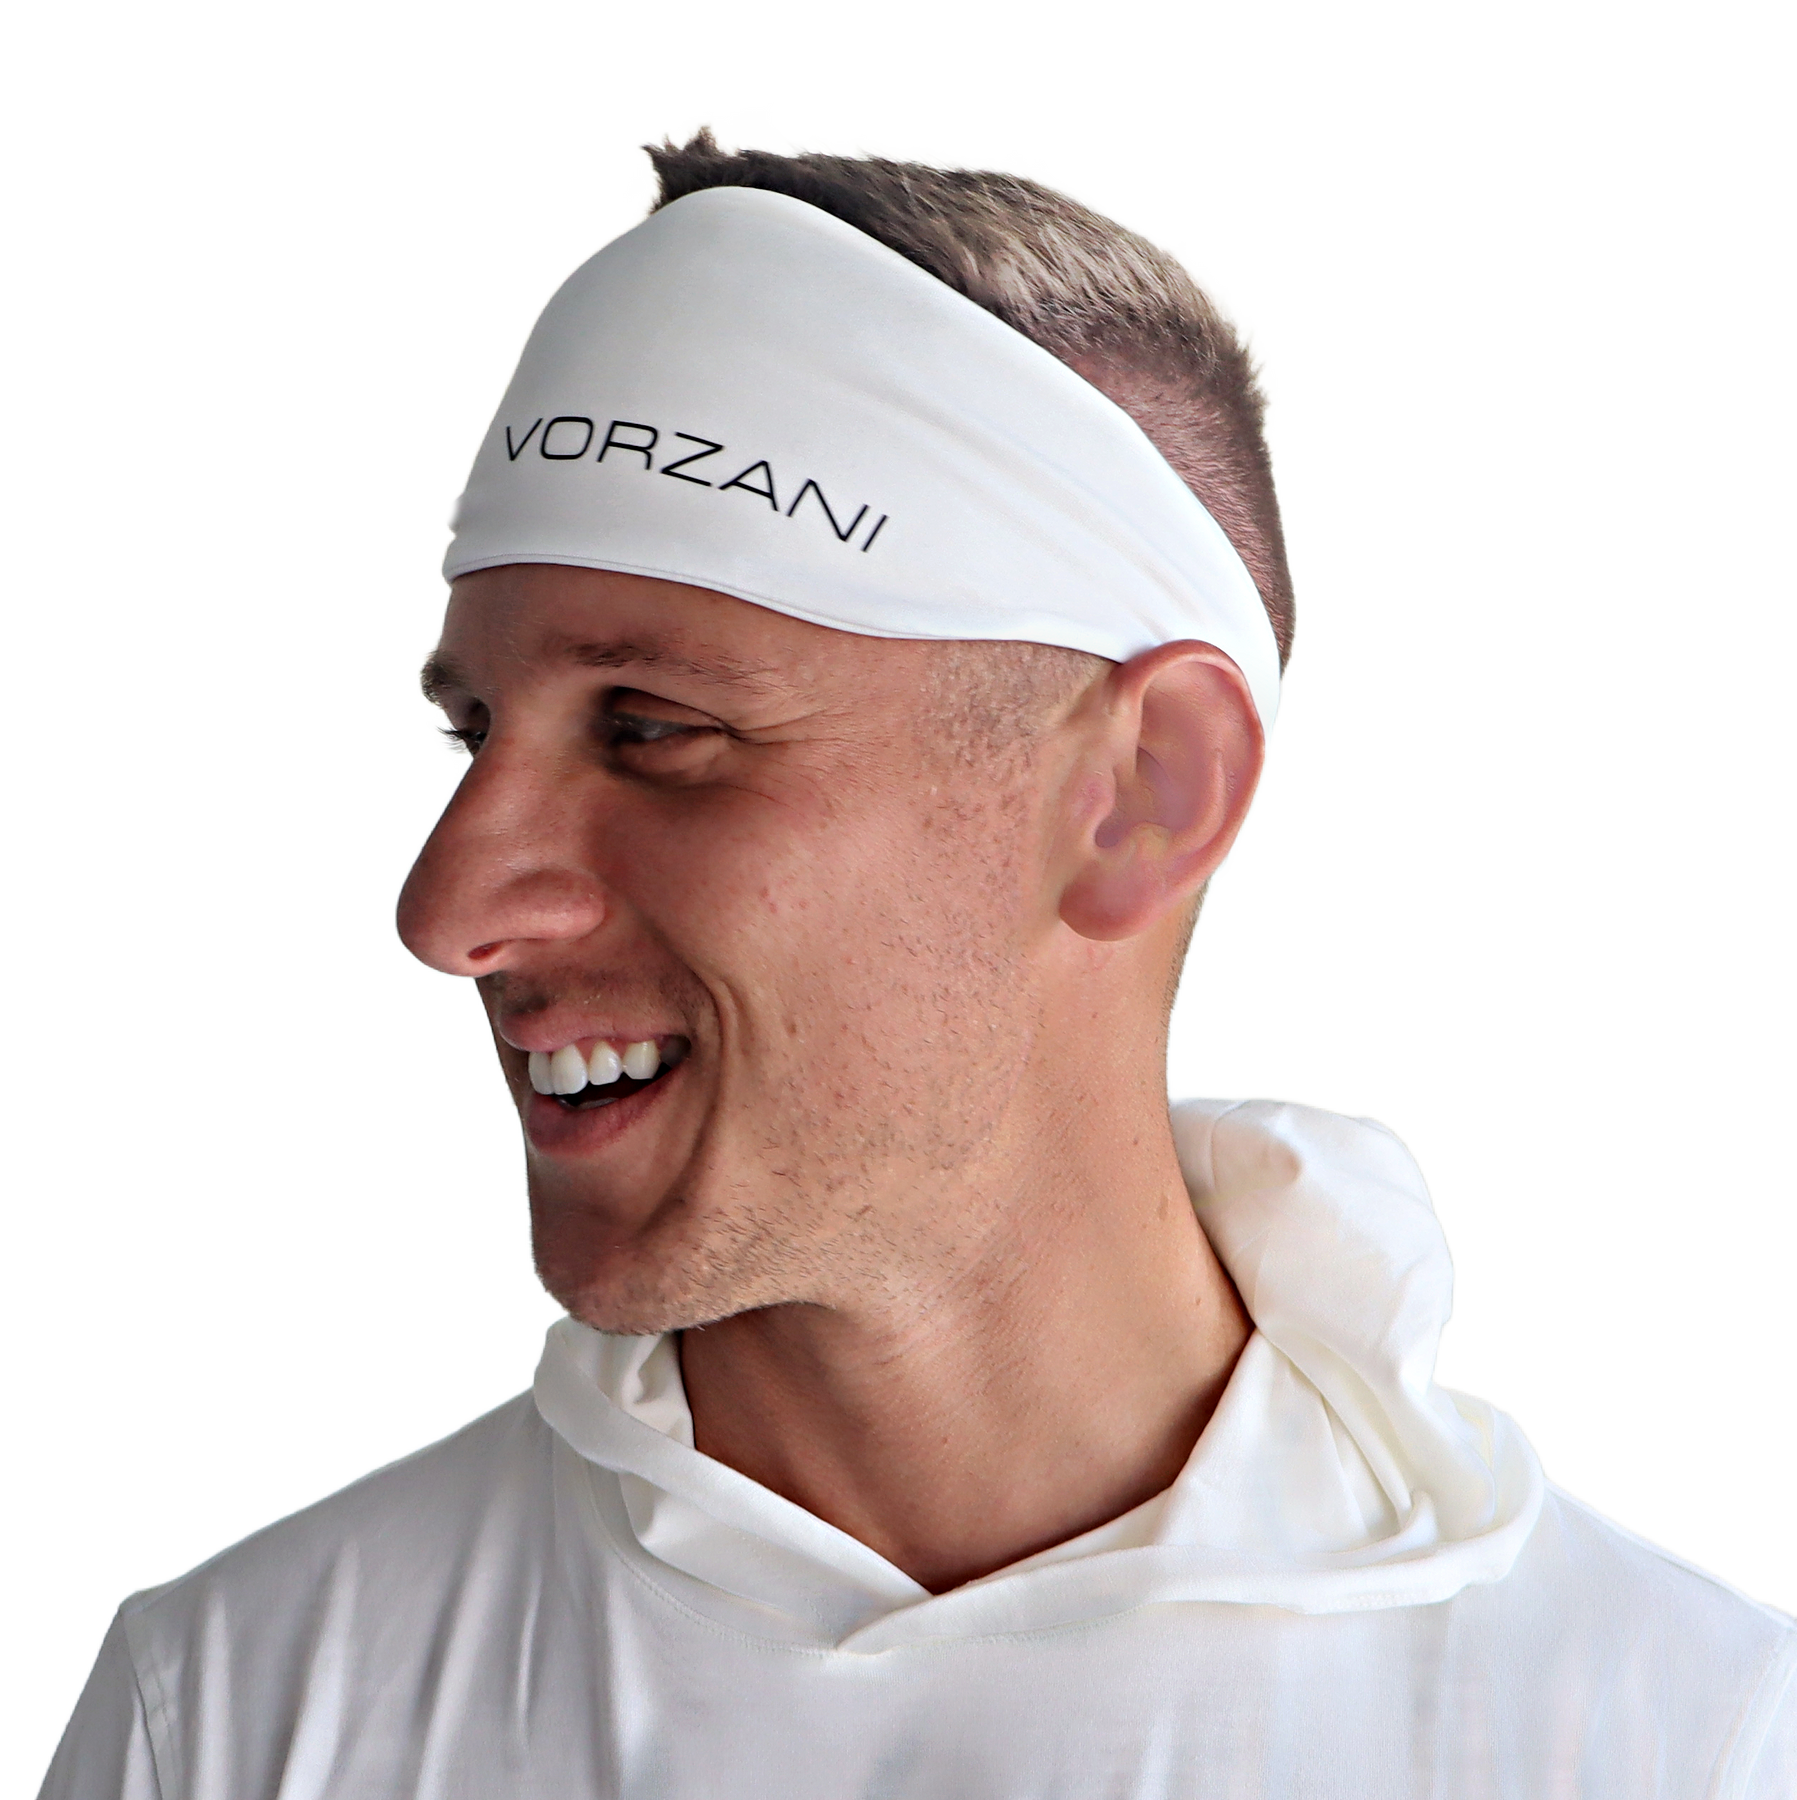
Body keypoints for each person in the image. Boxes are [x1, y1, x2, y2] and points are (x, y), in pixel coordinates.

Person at [38, 103, 1792, 1798]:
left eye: (652, 728)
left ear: (1141, 794)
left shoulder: (1681, 1744)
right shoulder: (240, 1717)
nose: (445, 910)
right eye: (470, 731)